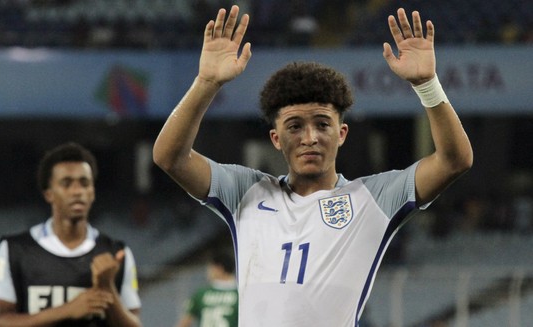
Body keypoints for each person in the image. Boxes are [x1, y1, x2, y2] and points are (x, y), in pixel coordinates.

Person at [153, 5, 472, 327]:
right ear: (276, 139)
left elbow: (454, 160)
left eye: (322, 124)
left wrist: (427, 85)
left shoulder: (374, 197)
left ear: (341, 133)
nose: (310, 137)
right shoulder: (246, 192)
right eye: (294, 127)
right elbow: (170, 157)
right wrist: (206, 82)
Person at [0, 142, 142, 327]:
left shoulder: (116, 253)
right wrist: (68, 310)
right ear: (48, 194)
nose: (77, 191)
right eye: (66, 183)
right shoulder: (15, 251)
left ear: (92, 192)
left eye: (84, 183)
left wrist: (107, 289)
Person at [174, 250, 238, 327]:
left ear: (219, 268)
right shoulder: (240, 293)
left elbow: (184, 323)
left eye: (210, 268)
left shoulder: (201, 294)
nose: (208, 271)